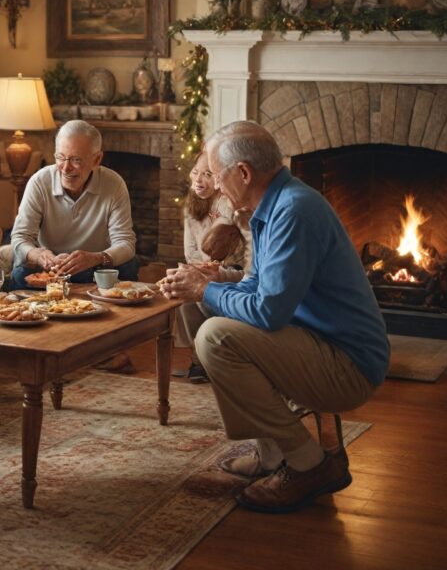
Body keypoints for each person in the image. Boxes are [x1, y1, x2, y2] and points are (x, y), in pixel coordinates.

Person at [161, 121, 389, 514]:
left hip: (349, 365)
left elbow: (268, 312)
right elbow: (263, 288)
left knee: (217, 337)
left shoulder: (293, 212)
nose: (215, 185)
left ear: (243, 173)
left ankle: (309, 464)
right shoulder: (275, 204)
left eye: (216, 175)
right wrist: (216, 280)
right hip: (319, 342)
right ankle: (270, 454)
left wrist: (206, 291)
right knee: (214, 315)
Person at [9, 120, 138, 288]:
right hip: (52, 270)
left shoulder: (114, 184)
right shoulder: (40, 182)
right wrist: (40, 255)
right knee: (19, 275)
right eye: (60, 157)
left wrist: (97, 258)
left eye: (76, 160)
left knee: (130, 264)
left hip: (96, 268)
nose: (65, 168)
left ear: (96, 159)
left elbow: (126, 243)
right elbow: (20, 238)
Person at [174, 151, 250, 383]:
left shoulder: (229, 204)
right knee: (181, 289)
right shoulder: (191, 205)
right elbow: (191, 251)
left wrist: (209, 269)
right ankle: (198, 359)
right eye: (196, 172)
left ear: (219, 179)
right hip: (204, 267)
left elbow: (227, 248)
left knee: (197, 290)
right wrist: (199, 268)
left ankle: (213, 357)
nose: (198, 180)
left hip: (232, 271)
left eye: (207, 174)